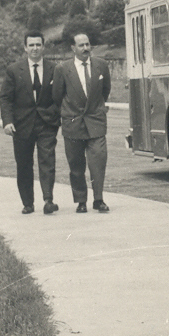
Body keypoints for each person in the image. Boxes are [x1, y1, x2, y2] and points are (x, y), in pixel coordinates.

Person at [0, 31, 60, 215]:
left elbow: (60, 95)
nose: (35, 48)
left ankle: (48, 200)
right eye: (31, 45)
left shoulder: (54, 69)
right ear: (25, 48)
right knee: (24, 164)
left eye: (38, 45)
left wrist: (55, 116)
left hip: (46, 123)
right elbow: (5, 98)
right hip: (21, 125)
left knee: (47, 161)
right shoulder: (14, 70)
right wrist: (7, 122)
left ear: (43, 46)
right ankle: (28, 203)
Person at [52, 32, 112, 213]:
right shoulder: (62, 69)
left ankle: (98, 199)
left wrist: (97, 109)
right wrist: (69, 113)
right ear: (73, 48)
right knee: (76, 165)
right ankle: (81, 201)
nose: (86, 48)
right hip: (73, 123)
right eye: (81, 45)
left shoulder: (101, 65)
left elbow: (105, 90)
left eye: (87, 44)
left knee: (98, 162)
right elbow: (57, 96)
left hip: (96, 122)